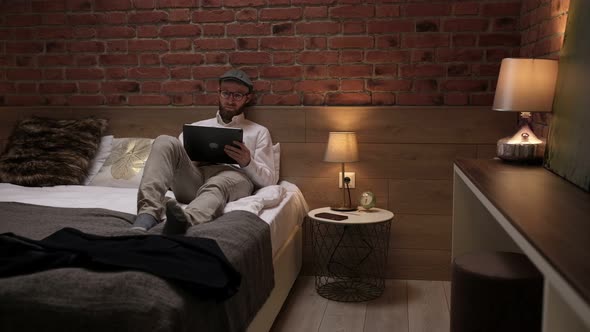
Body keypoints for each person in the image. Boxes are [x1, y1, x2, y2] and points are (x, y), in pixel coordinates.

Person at [132, 69, 277, 234]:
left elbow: (269, 181)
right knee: (164, 140)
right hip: (194, 179)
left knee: (219, 183)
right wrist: (193, 160)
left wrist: (247, 162)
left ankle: (184, 222)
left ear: (247, 98)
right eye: (226, 93)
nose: (230, 99)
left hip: (233, 177)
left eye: (237, 95)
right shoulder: (196, 128)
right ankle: (146, 215)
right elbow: (169, 170)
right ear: (218, 93)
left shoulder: (259, 132)